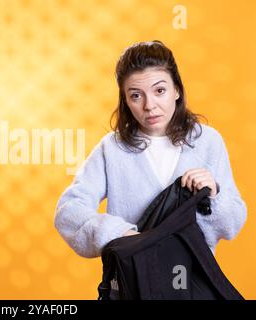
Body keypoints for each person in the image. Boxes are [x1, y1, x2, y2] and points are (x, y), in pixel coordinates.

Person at [54, 40, 247, 263]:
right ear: (125, 100)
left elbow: (232, 223)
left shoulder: (207, 141)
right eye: (136, 95)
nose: (149, 105)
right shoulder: (112, 149)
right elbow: (68, 212)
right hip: (132, 283)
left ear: (176, 90)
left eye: (160, 90)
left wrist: (213, 194)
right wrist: (120, 235)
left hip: (192, 285)